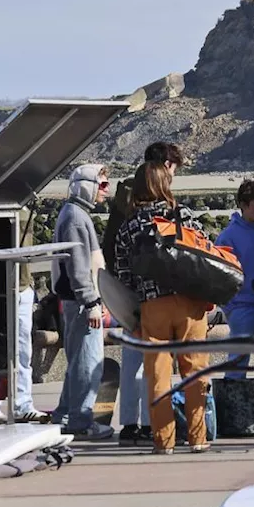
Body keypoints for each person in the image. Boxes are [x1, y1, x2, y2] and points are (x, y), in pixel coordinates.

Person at [114, 163, 211, 454]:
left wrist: (132, 313)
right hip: (190, 303)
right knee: (195, 373)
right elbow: (205, 250)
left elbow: (122, 275)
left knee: (157, 376)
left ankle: (163, 441)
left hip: (152, 306)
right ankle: (197, 438)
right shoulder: (182, 215)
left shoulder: (129, 226)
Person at [104, 142, 182, 447]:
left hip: (126, 286)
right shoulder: (151, 199)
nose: (174, 175)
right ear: (163, 165)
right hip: (153, 292)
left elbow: (112, 243)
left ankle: (129, 423)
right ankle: (151, 423)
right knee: (155, 360)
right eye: (173, 168)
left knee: (134, 358)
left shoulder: (125, 192)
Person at [50, 165, 114, 441]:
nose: (106, 190)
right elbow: (78, 267)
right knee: (89, 363)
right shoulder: (76, 218)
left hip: (75, 300)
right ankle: (80, 420)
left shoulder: (74, 214)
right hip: (81, 302)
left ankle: (65, 415)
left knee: (78, 361)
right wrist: (91, 302)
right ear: (85, 185)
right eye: (101, 184)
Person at [214, 180, 254, 378]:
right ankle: (232, 407)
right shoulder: (227, 237)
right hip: (241, 308)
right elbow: (219, 276)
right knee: (237, 366)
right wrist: (230, 308)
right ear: (243, 204)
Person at [13, 209, 51, 424]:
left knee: (23, 351)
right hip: (1, 287)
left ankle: (23, 403)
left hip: (23, 287)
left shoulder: (25, 207)